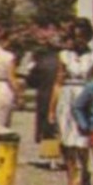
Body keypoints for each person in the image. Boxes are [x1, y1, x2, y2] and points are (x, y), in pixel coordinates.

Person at [49, 17, 93, 185]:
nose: (79, 41)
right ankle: (72, 181)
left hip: (85, 98)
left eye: (83, 37)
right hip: (67, 98)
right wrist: (52, 109)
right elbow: (58, 82)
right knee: (68, 142)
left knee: (83, 141)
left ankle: (85, 174)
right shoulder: (64, 56)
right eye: (76, 37)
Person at [26, 29, 63, 166]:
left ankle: (51, 159)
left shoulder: (41, 61)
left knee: (48, 127)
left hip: (45, 95)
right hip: (63, 95)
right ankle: (68, 157)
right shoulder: (65, 59)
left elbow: (31, 81)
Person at [0, 32, 22, 133]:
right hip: (3, 85)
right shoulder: (8, 56)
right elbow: (11, 77)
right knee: (2, 120)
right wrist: (19, 95)